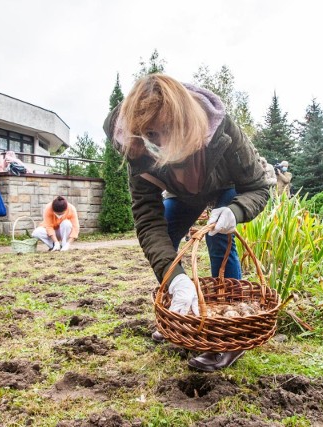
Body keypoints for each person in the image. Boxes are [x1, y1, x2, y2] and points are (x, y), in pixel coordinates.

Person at [103, 74, 270, 372]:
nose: (160, 142)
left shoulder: (219, 128)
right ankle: (181, 311)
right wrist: (176, 278)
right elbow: (147, 220)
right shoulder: (134, 143)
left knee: (219, 236)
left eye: (166, 131)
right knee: (165, 237)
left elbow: (258, 187)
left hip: (226, 187)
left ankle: (231, 336)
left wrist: (235, 211)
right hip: (184, 192)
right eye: (151, 134)